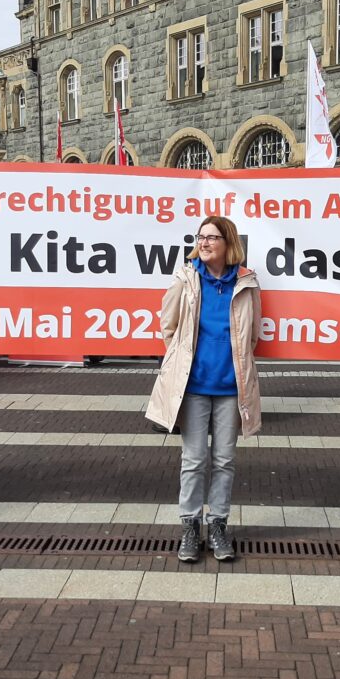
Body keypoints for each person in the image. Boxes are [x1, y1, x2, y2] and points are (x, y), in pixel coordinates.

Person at [146, 216, 262, 562]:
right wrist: (184, 360)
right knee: (194, 459)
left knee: (225, 460)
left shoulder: (246, 282)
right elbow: (169, 327)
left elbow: (252, 335)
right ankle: (190, 526)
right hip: (193, 386)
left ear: (229, 243)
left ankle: (219, 526)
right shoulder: (185, 278)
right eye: (201, 237)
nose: (205, 242)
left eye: (212, 237)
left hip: (231, 387)